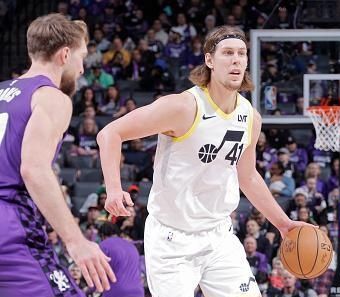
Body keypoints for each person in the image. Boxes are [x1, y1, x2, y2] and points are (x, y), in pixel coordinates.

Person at [97, 26, 313, 297]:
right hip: (171, 240)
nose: (236, 60)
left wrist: (283, 223)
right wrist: (114, 189)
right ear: (209, 60)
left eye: (241, 54)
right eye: (228, 53)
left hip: (219, 236)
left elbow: (247, 177)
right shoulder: (183, 106)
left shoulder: (250, 117)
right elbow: (110, 134)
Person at [0, 13, 115, 297]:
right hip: (9, 220)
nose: (81, 69)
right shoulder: (51, 97)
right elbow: (34, 169)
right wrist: (75, 241)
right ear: (65, 54)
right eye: (81, 57)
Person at [98, 222, 144, 297]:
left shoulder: (103, 246)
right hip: (138, 290)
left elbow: (99, 272)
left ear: (102, 235)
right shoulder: (132, 246)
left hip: (116, 291)